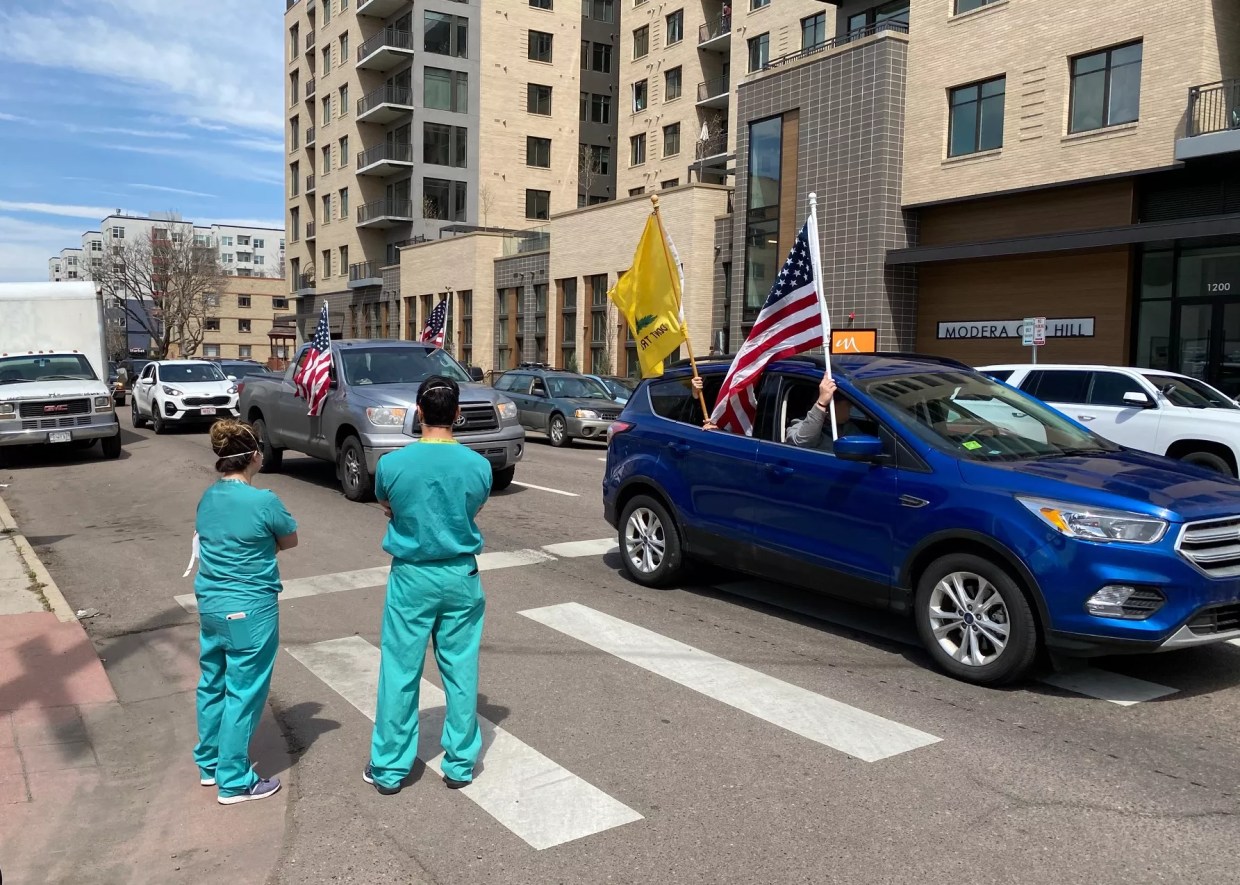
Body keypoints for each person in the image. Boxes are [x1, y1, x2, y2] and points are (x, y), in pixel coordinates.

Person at [365, 375, 493, 796]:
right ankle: (459, 763)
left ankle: (389, 767)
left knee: (400, 670)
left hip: (412, 574)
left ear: (419, 411)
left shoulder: (392, 464)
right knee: (460, 668)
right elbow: (471, 506)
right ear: (458, 413)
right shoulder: (478, 465)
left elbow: (387, 503)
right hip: (459, 573)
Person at [191, 419, 298, 805]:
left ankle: (209, 762)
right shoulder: (264, 500)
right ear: (254, 456)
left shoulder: (208, 497)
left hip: (212, 604)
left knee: (213, 681)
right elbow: (290, 539)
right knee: (244, 691)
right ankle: (234, 779)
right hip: (249, 608)